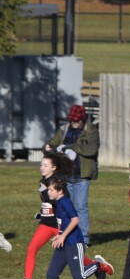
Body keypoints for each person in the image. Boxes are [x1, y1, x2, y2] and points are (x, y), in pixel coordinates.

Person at [41, 177, 114, 279]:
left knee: (79, 277)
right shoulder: (57, 202)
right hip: (62, 244)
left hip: (74, 243)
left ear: (60, 191)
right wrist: (60, 235)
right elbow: (64, 222)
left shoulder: (65, 202)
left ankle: (99, 265)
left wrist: (63, 235)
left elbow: (75, 220)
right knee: (51, 274)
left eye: (51, 190)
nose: (48, 192)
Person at [11, 151, 73, 279]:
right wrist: (42, 213)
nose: (42, 167)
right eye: (41, 164)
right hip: (46, 224)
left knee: (73, 256)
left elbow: (62, 202)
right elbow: (47, 202)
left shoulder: (57, 182)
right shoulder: (43, 181)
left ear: (54, 168)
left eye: (45, 165)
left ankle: (98, 266)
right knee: (31, 248)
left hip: (59, 226)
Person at [44, 104, 99, 246]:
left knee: (81, 207)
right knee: (66, 207)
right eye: (72, 120)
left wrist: (73, 147)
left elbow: (92, 150)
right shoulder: (64, 129)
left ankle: (84, 240)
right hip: (65, 177)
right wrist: (48, 146)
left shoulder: (91, 130)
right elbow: (52, 142)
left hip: (82, 176)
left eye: (76, 121)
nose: (74, 123)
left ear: (82, 119)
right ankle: (67, 236)